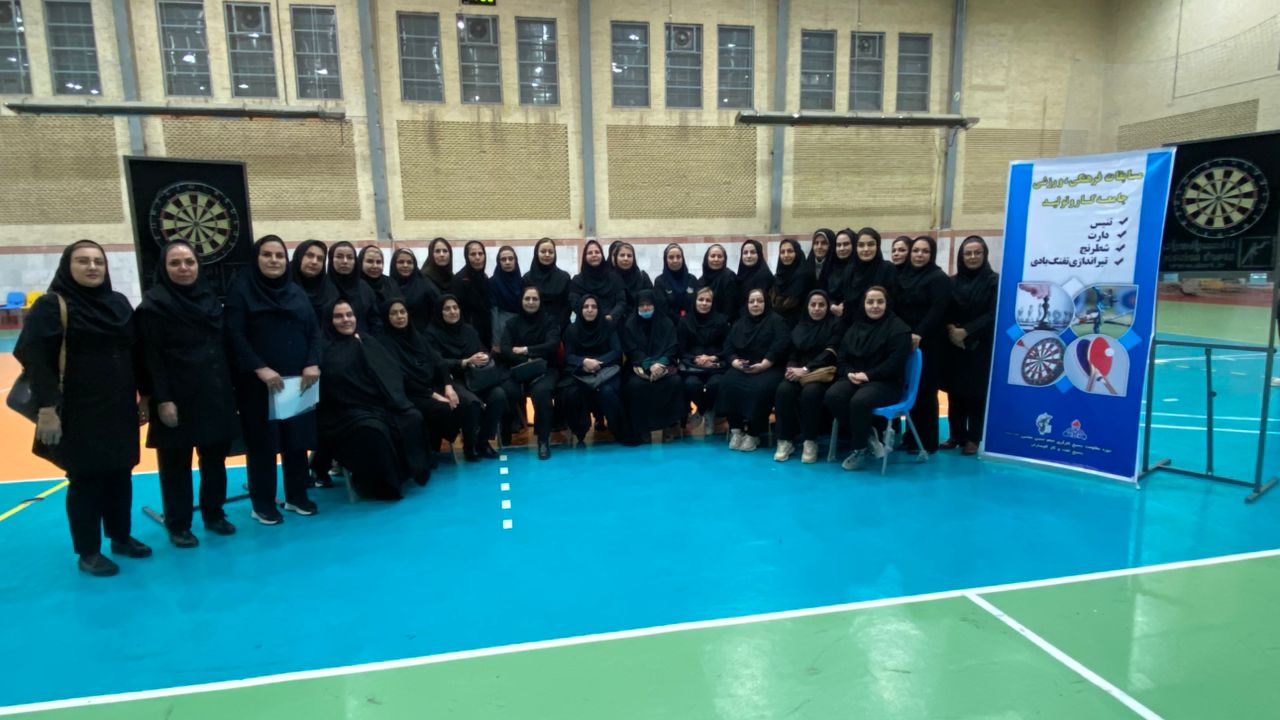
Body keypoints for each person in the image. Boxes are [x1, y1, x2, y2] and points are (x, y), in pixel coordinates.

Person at [15, 240, 151, 576]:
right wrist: (47, 409)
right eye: (83, 261)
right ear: (67, 266)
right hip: (77, 410)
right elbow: (36, 360)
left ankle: (120, 536)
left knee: (121, 473)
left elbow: (137, 354)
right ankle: (88, 551)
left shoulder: (118, 304)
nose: (92, 267)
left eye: (97, 261)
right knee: (86, 479)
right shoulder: (51, 306)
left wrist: (145, 397)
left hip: (118, 406)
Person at [137, 241, 240, 548]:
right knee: (175, 466)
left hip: (214, 394)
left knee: (214, 461)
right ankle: (178, 524)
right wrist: (162, 399)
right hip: (176, 398)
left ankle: (214, 513)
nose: (183, 268)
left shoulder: (210, 301)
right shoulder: (153, 307)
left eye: (189, 262)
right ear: (164, 268)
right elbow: (150, 358)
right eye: (175, 263)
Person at [225, 235, 322, 525]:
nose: (274, 260)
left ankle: (296, 496)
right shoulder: (241, 291)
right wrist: (260, 368)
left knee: (297, 441)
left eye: (279, 255)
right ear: (257, 258)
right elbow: (234, 335)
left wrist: (313, 362)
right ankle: (263, 503)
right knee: (262, 445)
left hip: (298, 381)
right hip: (259, 384)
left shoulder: (296, 292)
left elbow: (314, 331)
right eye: (267, 255)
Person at [319, 301, 429, 499]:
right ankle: (382, 485)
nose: (346, 320)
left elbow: (389, 372)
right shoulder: (324, 348)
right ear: (329, 320)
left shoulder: (366, 340)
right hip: (345, 411)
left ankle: (408, 473)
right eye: (339, 316)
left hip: (378, 403)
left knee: (412, 417)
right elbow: (333, 383)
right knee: (374, 430)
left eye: (349, 314)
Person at [382, 300, 492, 462]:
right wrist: (433, 395)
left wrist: (448, 387)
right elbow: (401, 377)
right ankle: (431, 449)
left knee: (464, 403)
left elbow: (439, 363)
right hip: (408, 392)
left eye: (402, 312)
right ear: (387, 317)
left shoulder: (417, 337)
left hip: (432, 384)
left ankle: (464, 446)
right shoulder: (384, 343)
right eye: (394, 313)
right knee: (442, 408)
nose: (399, 316)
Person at [823, 286, 912, 471]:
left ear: (887, 304)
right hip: (857, 378)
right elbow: (842, 357)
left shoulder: (899, 329)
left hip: (886, 382)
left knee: (859, 401)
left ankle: (859, 449)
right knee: (833, 395)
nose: (875, 306)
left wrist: (869, 375)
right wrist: (848, 372)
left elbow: (894, 364)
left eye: (880, 302)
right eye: (870, 302)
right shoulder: (856, 327)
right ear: (863, 304)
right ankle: (869, 435)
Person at [424, 295, 505, 457]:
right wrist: (464, 361)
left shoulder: (468, 329)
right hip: (450, 380)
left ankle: (483, 441)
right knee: (471, 403)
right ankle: (469, 445)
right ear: (440, 312)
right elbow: (437, 362)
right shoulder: (431, 334)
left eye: (455, 307)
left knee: (499, 395)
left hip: (476, 377)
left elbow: (482, 348)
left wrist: (484, 356)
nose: (452, 312)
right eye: (447, 309)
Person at [893, 236, 952, 453]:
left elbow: (937, 310)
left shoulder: (938, 278)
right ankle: (911, 438)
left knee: (926, 393)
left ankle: (927, 443)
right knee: (910, 391)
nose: (919, 255)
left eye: (925, 251)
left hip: (928, 344)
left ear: (931, 254)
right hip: (905, 341)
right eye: (916, 250)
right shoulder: (904, 276)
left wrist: (920, 333)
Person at [942, 236, 998, 455]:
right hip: (954, 346)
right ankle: (956, 435)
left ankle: (974, 437)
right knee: (955, 393)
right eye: (968, 253)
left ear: (984, 255)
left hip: (980, 346)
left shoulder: (994, 282)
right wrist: (951, 330)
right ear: (961, 256)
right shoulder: (952, 282)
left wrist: (967, 331)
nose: (972, 257)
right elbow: (944, 309)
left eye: (977, 253)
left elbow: (992, 314)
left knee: (976, 394)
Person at [717, 288, 791, 451]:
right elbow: (728, 346)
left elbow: (781, 344)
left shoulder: (777, 321)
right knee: (727, 383)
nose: (755, 305)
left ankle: (753, 432)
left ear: (766, 303)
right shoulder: (740, 323)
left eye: (759, 301)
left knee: (760, 389)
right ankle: (736, 429)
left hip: (770, 367)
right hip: (743, 367)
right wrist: (735, 362)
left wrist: (765, 363)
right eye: (752, 301)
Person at [773, 290, 843, 463]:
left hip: (822, 373)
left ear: (827, 307)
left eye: (821, 305)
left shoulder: (835, 326)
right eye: (813, 305)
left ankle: (810, 441)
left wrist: (806, 369)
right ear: (807, 307)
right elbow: (793, 353)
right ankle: (785, 440)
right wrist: (791, 368)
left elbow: (830, 354)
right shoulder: (800, 326)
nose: (817, 309)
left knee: (810, 393)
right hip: (798, 372)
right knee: (783, 390)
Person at [498, 286, 561, 459]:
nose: (531, 302)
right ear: (521, 301)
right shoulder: (512, 323)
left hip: (545, 368)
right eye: (527, 299)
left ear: (540, 302)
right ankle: (506, 429)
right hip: (517, 368)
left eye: (535, 299)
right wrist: (526, 361)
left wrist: (526, 350)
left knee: (542, 393)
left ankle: (543, 440)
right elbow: (505, 349)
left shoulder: (549, 321)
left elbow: (552, 345)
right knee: (506, 391)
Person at [559, 295, 625, 445]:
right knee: (571, 393)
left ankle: (616, 428)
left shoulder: (608, 326)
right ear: (580, 309)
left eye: (594, 307)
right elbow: (568, 356)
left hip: (607, 370)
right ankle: (580, 431)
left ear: (599, 309)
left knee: (608, 391)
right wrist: (584, 362)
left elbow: (616, 351)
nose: (590, 310)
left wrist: (598, 363)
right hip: (581, 371)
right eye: (586, 306)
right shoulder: (572, 330)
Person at [620, 290, 684, 443]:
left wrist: (661, 363)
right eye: (642, 305)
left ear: (655, 305)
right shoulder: (630, 325)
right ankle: (643, 429)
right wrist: (648, 365)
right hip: (639, 367)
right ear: (637, 306)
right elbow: (631, 350)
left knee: (674, 382)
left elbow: (672, 347)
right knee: (635, 386)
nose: (645, 308)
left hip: (664, 366)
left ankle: (669, 426)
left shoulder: (666, 323)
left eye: (648, 304)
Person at [678, 286, 729, 430]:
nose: (704, 303)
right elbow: (681, 349)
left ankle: (706, 412)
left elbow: (728, 346)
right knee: (691, 384)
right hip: (692, 366)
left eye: (708, 300)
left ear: (713, 302)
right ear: (695, 301)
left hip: (716, 365)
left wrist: (714, 357)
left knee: (716, 384)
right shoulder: (685, 321)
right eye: (701, 299)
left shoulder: (721, 321)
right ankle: (704, 410)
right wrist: (695, 359)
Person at [839, 227, 897, 322]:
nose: (866, 249)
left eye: (870, 244)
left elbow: (893, 302)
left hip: (882, 324)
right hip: (853, 324)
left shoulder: (888, 269)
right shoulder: (849, 270)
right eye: (861, 245)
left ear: (878, 246)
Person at [327, 241, 379, 333]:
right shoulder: (322, 287)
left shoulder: (364, 288)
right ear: (331, 259)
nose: (345, 261)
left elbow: (375, 320)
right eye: (339, 257)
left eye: (350, 257)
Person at [451, 241, 494, 348]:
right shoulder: (459, 279)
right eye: (473, 254)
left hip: (486, 330)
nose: (477, 257)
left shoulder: (484, 277)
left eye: (480, 253)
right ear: (467, 257)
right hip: (469, 333)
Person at [570, 240, 625, 323]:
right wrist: (590, 317)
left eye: (597, 252)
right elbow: (575, 304)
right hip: (586, 324)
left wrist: (611, 316)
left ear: (602, 255)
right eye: (590, 253)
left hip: (610, 324)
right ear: (584, 257)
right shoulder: (577, 281)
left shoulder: (615, 278)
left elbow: (621, 302)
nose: (594, 255)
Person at [523, 238, 572, 329]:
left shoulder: (564, 278)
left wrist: (557, 326)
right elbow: (525, 305)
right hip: (533, 328)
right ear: (536, 253)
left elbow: (567, 305)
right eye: (543, 251)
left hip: (560, 328)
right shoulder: (527, 279)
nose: (547, 255)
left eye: (551, 252)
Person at [291, 239, 338, 322]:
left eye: (320, 259)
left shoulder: (330, 290)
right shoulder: (283, 285)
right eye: (310, 256)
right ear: (299, 256)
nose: (314, 262)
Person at [390, 247, 438, 329]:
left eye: (409, 262)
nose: (405, 265)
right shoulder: (387, 285)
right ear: (394, 264)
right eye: (401, 262)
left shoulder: (426, 286)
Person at [769, 238, 813, 324]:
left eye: (790, 251)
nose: (786, 255)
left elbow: (791, 304)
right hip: (777, 321)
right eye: (782, 252)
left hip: (799, 322)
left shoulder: (804, 276)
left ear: (797, 253)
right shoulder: (777, 276)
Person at [489, 245, 524, 347]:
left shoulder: (522, 281)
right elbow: (494, 312)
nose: (507, 262)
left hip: (522, 327)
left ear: (515, 261)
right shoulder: (493, 283)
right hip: (502, 328)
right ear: (498, 262)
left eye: (510, 259)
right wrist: (496, 342)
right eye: (503, 259)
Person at [653, 243, 696, 322]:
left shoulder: (692, 279)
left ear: (683, 258)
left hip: (691, 324)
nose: (675, 260)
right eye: (671, 257)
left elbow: (696, 304)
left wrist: (688, 321)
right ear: (665, 260)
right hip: (669, 325)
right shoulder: (660, 281)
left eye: (678, 257)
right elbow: (663, 308)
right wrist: (680, 320)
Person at [699, 244, 740, 321]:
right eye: (712, 256)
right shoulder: (701, 280)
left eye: (719, 256)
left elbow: (730, 308)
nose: (716, 259)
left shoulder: (729, 277)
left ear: (724, 259)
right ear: (707, 258)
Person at [613, 242, 653, 318]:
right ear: (616, 258)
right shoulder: (609, 279)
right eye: (622, 255)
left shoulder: (642, 277)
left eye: (629, 256)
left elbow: (650, 300)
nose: (625, 258)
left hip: (639, 321)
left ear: (633, 258)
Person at [358, 245, 403, 309]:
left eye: (378, 262)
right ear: (360, 262)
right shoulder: (354, 285)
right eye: (370, 261)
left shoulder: (391, 284)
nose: (375, 266)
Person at [823, 229, 856, 311]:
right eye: (838, 245)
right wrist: (831, 305)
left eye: (846, 244)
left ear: (854, 245)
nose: (841, 248)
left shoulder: (860, 269)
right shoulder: (830, 267)